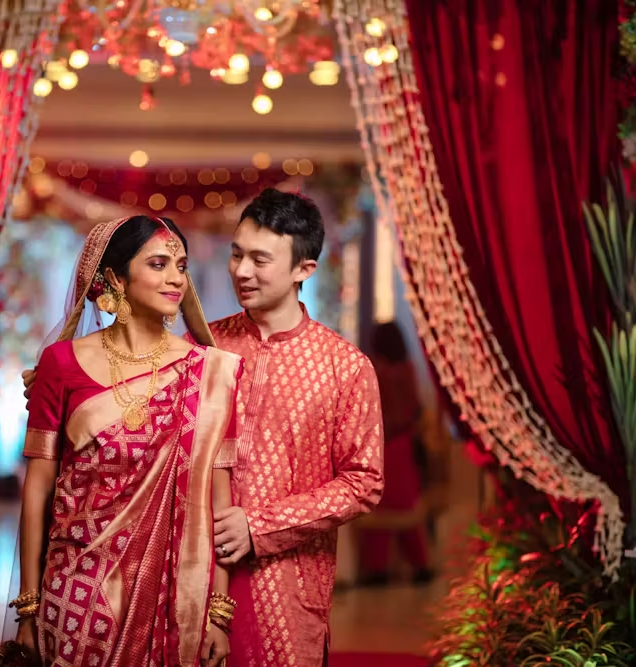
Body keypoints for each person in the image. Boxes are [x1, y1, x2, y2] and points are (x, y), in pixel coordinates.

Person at [24, 190, 385, 666]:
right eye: (237, 254)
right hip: (180, 574)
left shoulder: (345, 367)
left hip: (285, 584)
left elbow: (365, 480)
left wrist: (260, 525)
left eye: (260, 259)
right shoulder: (203, 347)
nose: (241, 270)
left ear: (304, 270)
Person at [8, 215, 243, 667]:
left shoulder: (210, 372)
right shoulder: (60, 364)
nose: (176, 277)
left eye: (181, 265)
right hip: (76, 590)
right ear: (114, 277)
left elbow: (218, 498)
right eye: (158, 264)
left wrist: (219, 612)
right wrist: (29, 605)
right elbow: (37, 488)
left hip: (173, 595)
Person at [356, 321, 433, 586]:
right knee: (406, 511)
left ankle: (378, 570)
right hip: (405, 442)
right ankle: (420, 565)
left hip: (382, 445)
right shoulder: (409, 369)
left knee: (380, 512)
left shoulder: (377, 370)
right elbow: (415, 408)